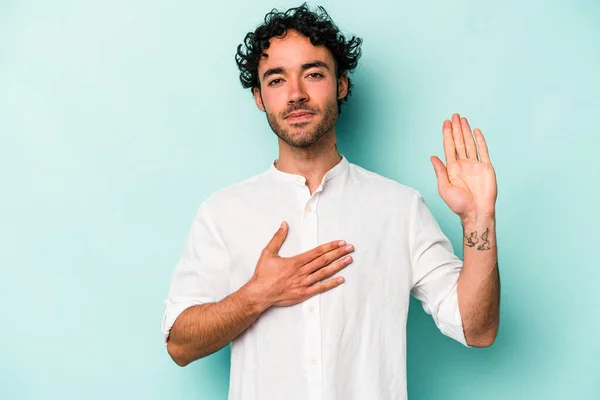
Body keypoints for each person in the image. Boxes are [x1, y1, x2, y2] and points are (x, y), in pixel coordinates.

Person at [161, 3, 500, 399]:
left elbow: (477, 329)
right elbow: (179, 345)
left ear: (340, 84)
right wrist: (257, 294)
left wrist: (478, 219)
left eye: (314, 74)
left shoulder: (400, 208)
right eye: (276, 80)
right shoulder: (222, 212)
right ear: (258, 96)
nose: (296, 94)